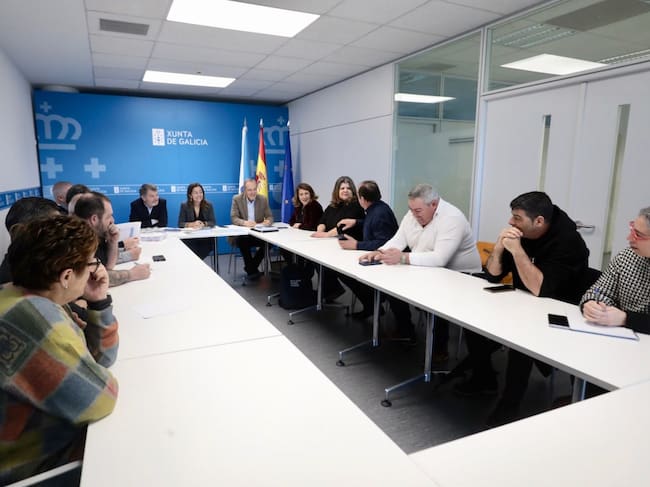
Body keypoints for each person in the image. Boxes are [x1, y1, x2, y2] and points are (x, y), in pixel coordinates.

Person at [0, 215, 119, 484]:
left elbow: (101, 358)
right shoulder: (37, 320)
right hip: (34, 468)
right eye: (91, 263)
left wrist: (98, 302)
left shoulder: (17, 294)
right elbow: (100, 398)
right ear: (66, 276)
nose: (95, 270)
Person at [456, 191, 589, 426]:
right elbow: (493, 276)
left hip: (561, 311)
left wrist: (517, 251)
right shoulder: (523, 233)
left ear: (538, 221)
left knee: (522, 340)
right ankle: (484, 379)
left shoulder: (569, 242)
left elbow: (540, 288)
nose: (511, 222)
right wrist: (499, 247)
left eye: (517, 218)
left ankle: (509, 406)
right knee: (472, 322)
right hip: (522, 304)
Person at [361, 184, 481, 350]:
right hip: (428, 269)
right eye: (411, 210)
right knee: (392, 285)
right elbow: (398, 240)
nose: (413, 215)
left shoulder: (452, 218)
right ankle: (405, 330)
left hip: (462, 277)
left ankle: (439, 350)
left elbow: (440, 258)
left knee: (432, 297)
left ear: (434, 204)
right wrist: (380, 252)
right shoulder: (413, 213)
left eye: (418, 211)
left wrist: (402, 257)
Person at [580, 207, 650, 334]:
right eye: (632, 230)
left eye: (638, 235)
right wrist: (592, 304)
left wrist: (626, 319)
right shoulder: (626, 257)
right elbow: (600, 291)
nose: (629, 238)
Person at [337, 180, 398, 319]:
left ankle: (372, 306)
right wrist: (356, 222)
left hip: (384, 264)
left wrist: (356, 245)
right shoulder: (377, 208)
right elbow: (373, 224)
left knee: (347, 274)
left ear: (362, 199)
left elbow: (383, 242)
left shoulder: (379, 213)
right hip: (377, 258)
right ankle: (371, 306)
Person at [74, 192, 151, 286]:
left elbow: (107, 268)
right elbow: (95, 280)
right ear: (94, 219)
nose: (112, 220)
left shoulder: (97, 234)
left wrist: (113, 242)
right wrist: (131, 274)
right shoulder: (77, 243)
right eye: (108, 216)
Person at [311, 176, 365, 300]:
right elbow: (322, 221)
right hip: (333, 245)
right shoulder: (332, 206)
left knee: (337, 269)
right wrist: (320, 231)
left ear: (353, 191)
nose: (345, 190)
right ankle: (332, 290)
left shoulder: (356, 206)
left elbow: (342, 227)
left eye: (348, 188)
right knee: (315, 259)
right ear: (337, 191)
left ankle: (367, 301)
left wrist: (325, 235)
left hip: (350, 247)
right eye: (342, 188)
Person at [0, 197, 60, 284]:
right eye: (53, 227)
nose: (61, 232)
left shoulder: (43, 260)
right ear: (19, 232)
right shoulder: (17, 281)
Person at [230, 178, 273, 280]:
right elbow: (234, 218)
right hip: (243, 234)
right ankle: (252, 269)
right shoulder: (237, 199)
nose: (252, 192)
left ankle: (250, 268)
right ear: (245, 190)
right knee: (243, 241)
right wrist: (245, 223)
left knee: (269, 243)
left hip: (258, 233)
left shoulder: (263, 199)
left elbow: (270, 216)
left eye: (254, 189)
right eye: (249, 190)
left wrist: (267, 221)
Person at [178, 182, 216, 260]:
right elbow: (180, 223)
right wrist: (191, 224)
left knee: (200, 251)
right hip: (190, 238)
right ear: (190, 195)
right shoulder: (184, 206)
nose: (199, 195)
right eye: (195, 193)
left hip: (205, 238)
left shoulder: (208, 205)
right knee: (191, 250)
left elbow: (213, 222)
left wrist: (204, 224)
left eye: (200, 192)